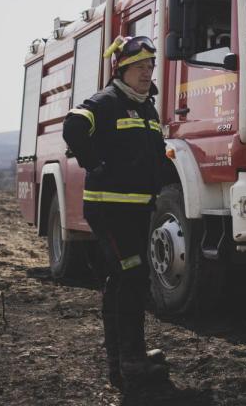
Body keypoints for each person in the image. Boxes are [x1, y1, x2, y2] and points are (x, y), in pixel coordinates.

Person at [62, 35, 170, 389]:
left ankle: (123, 361)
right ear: (121, 70)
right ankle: (131, 360)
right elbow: (74, 126)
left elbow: (155, 155)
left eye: (150, 65)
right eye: (139, 66)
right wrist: (94, 163)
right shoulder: (107, 101)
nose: (146, 72)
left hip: (137, 212)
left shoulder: (147, 108)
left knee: (124, 281)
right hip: (109, 210)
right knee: (132, 277)